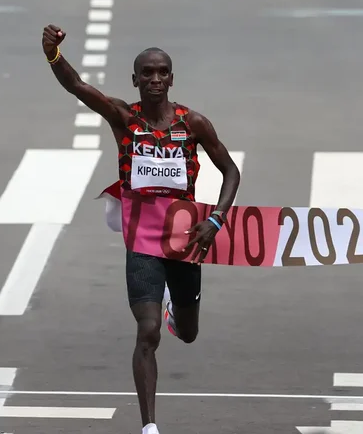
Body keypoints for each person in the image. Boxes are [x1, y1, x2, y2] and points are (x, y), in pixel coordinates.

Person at [42, 24, 241, 434]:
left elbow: (230, 171)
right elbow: (77, 86)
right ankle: (149, 426)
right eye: (146, 73)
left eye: (161, 72)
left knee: (187, 333)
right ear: (135, 80)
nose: (154, 79)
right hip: (143, 242)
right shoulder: (124, 116)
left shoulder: (194, 124)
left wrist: (216, 219)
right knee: (146, 332)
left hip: (185, 242)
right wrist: (53, 54)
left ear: (171, 77)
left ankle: (175, 312)